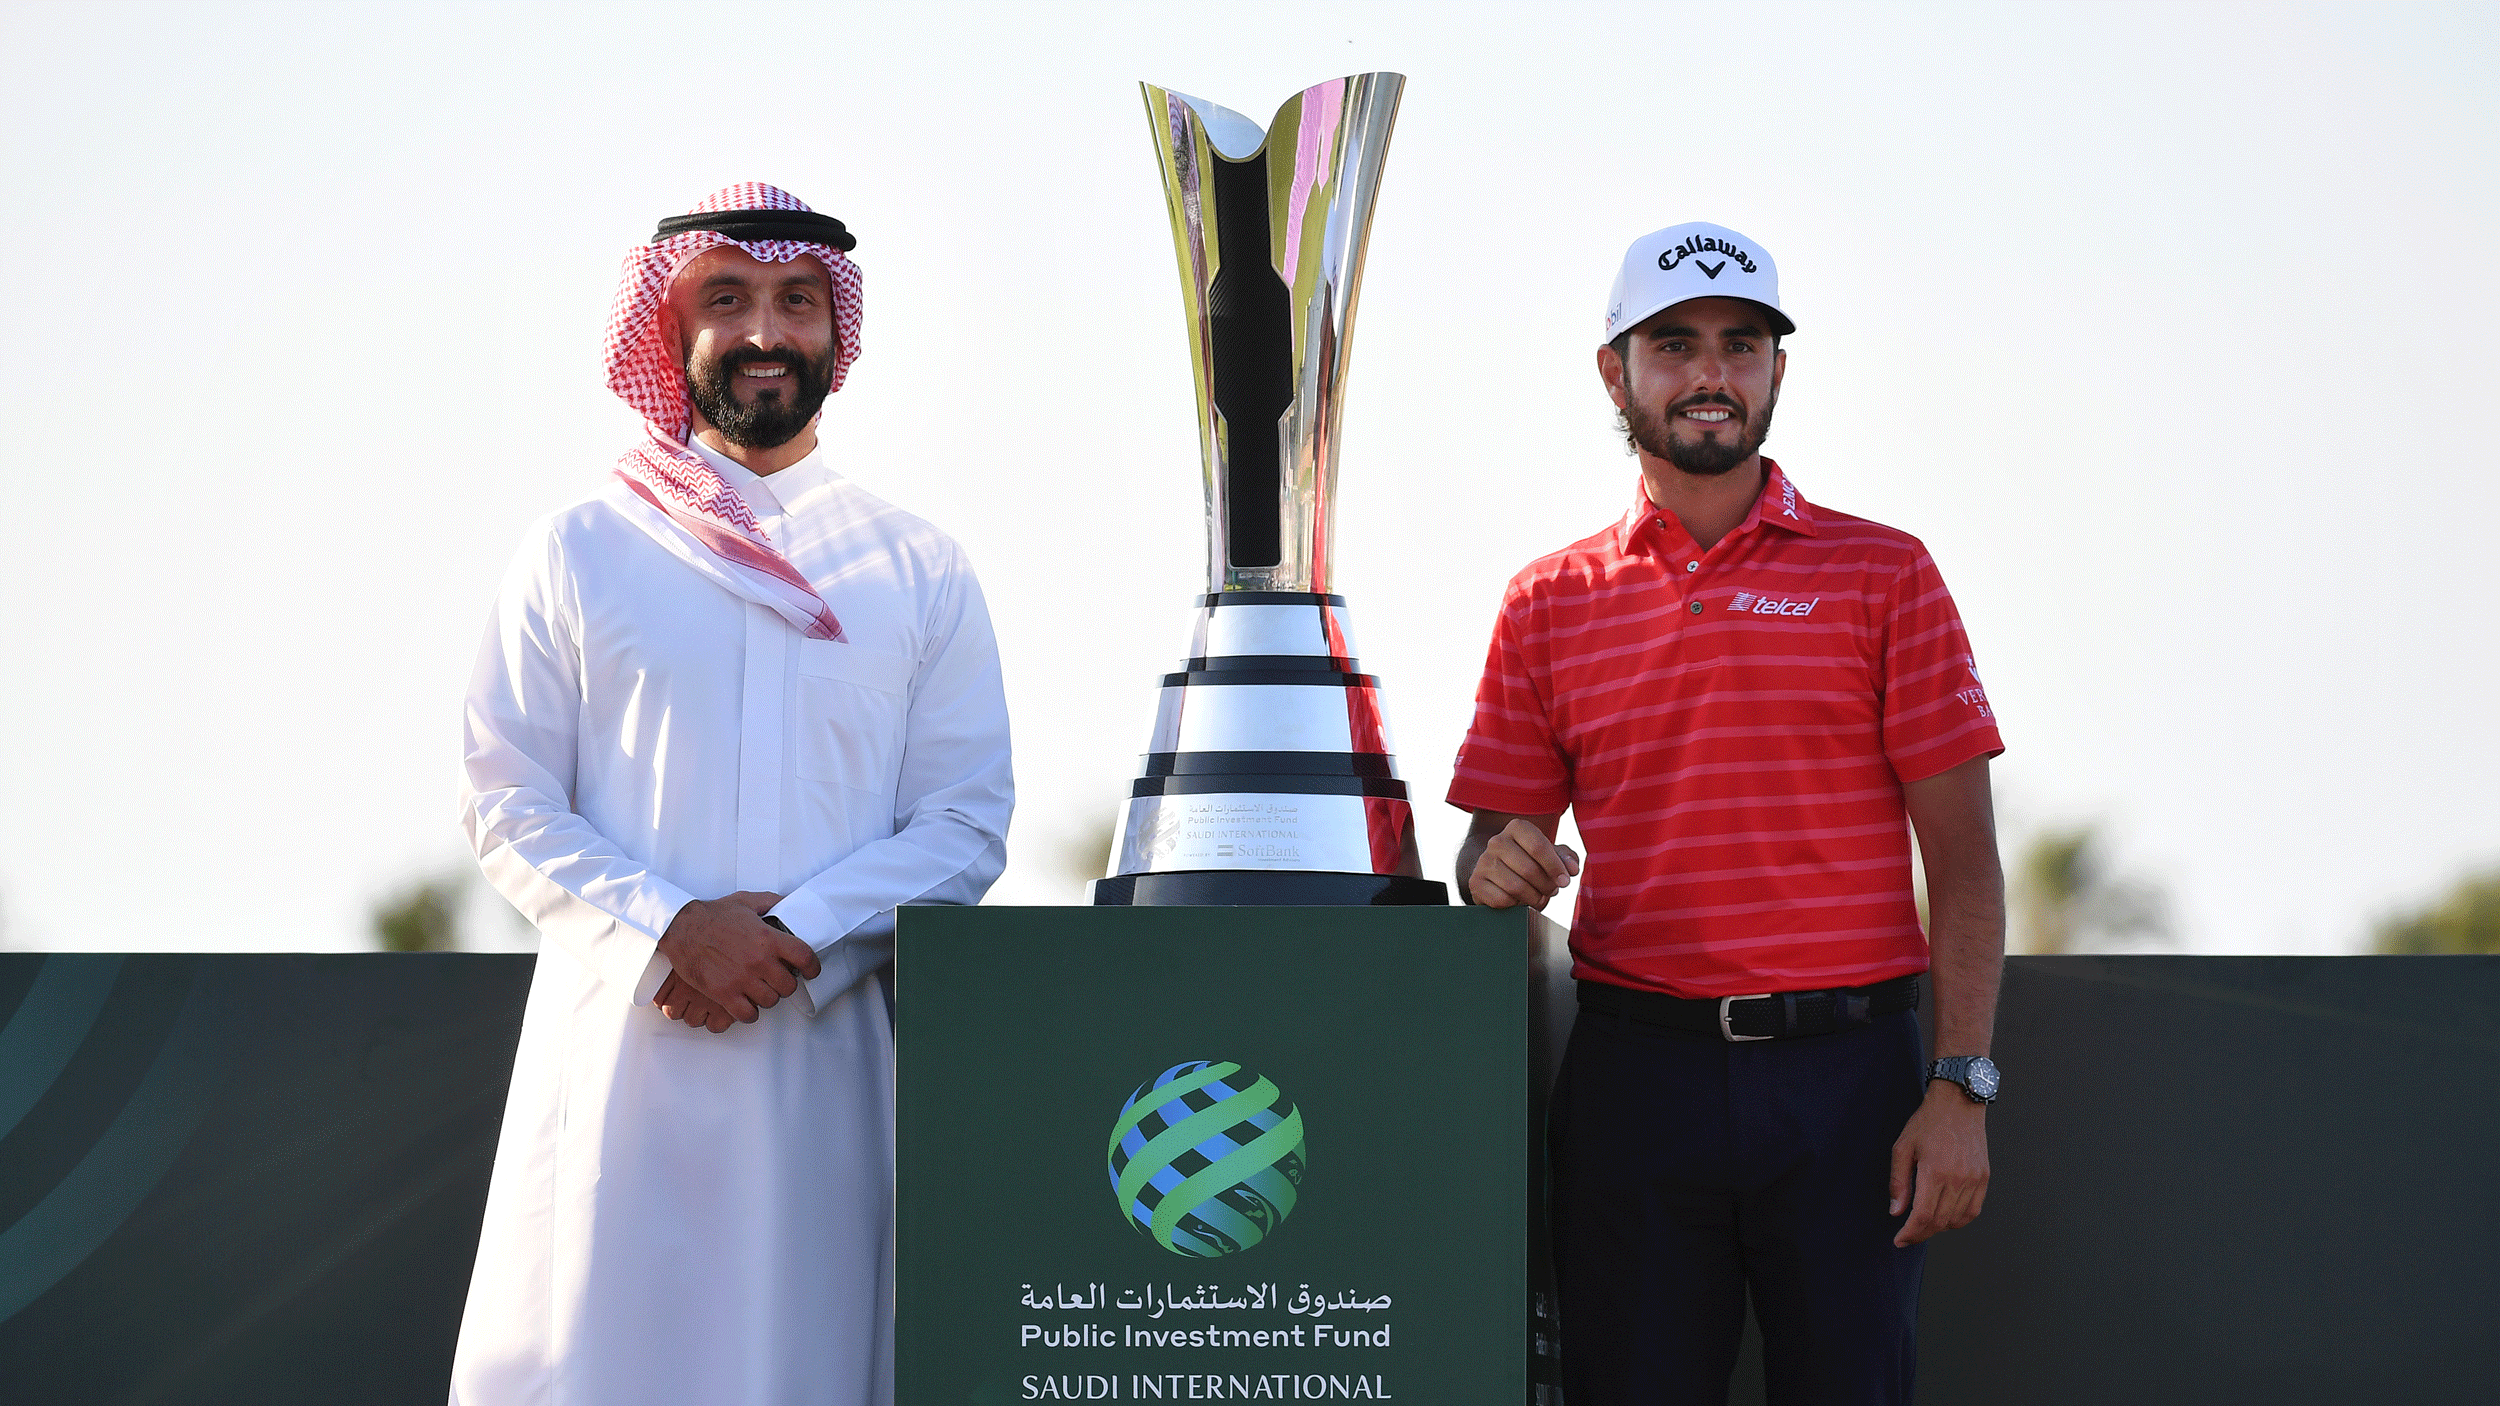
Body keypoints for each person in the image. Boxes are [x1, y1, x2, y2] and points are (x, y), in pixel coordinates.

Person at [449, 183, 1014, 1406]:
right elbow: (506, 799)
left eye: (796, 303)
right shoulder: (580, 548)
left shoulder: (915, 564)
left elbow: (966, 820)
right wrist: (674, 929)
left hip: (818, 1063)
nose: (765, 332)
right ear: (671, 331)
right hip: (615, 1058)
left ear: (835, 335)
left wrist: (790, 937)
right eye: (730, 300)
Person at [1450, 222, 2005, 1405]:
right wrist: (1496, 864)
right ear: (1617, 372)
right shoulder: (1546, 599)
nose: (1710, 374)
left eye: (1739, 345)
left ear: (1774, 372)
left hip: (1850, 1086)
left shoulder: (1885, 572)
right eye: (1675, 345)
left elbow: (1963, 860)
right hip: (1631, 1083)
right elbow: (1485, 848)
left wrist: (1959, 1089)